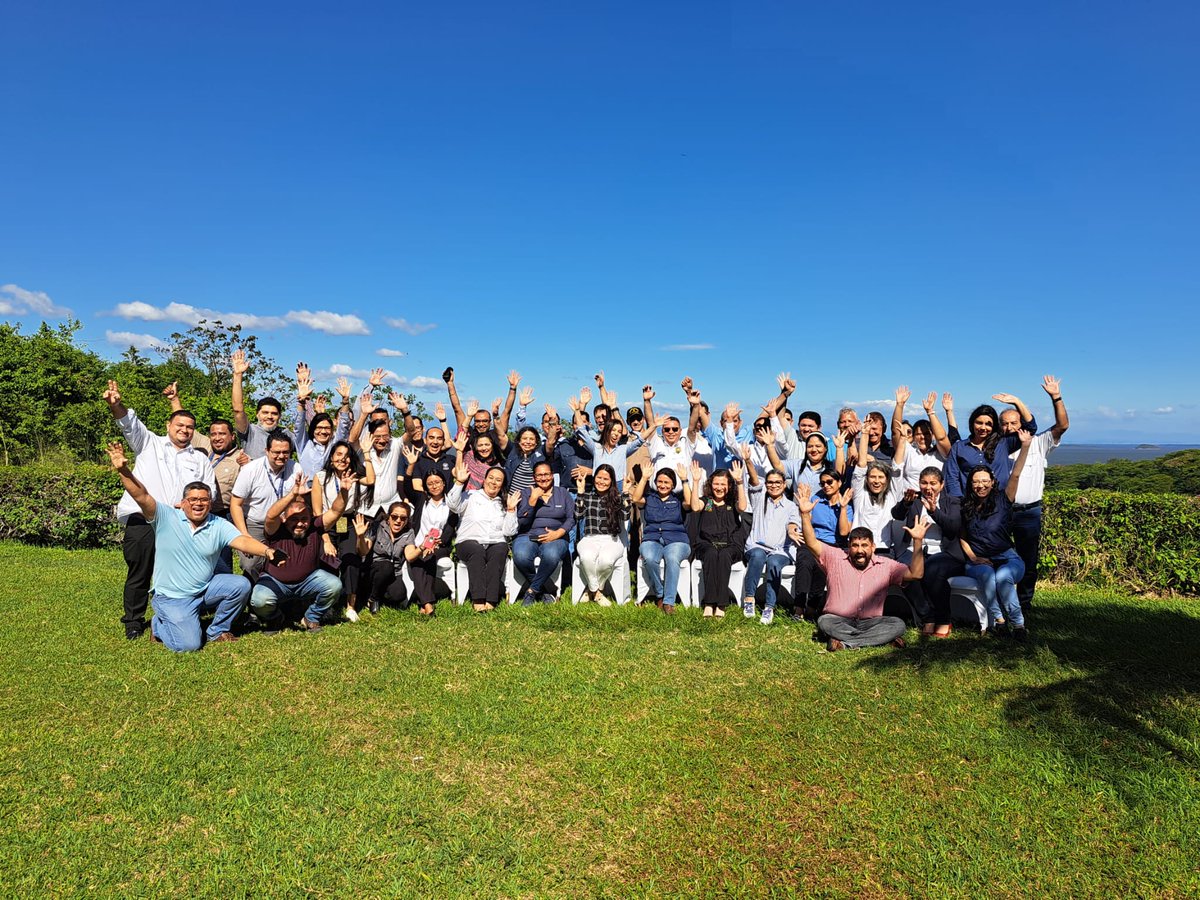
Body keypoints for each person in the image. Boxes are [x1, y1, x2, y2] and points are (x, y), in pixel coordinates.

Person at [106, 441, 275, 651]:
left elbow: (242, 541)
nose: (198, 503)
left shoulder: (218, 524)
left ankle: (217, 630)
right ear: (183, 502)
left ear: (210, 503)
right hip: (172, 598)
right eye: (193, 499)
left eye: (204, 500)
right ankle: (158, 625)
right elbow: (141, 495)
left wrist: (267, 551)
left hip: (204, 589)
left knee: (240, 585)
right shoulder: (166, 517)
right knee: (189, 645)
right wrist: (124, 471)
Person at [104, 379, 217, 640]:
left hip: (178, 522)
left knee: (177, 573)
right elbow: (128, 423)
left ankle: (175, 615)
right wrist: (116, 405)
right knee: (140, 570)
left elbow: (208, 490)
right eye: (180, 425)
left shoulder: (200, 459)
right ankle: (133, 620)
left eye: (190, 427)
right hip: (143, 518)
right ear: (168, 426)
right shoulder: (148, 443)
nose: (184, 430)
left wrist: (189, 505)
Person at [795, 485, 931, 652]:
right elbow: (811, 543)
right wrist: (805, 514)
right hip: (837, 620)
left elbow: (916, 574)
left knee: (898, 624)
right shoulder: (835, 557)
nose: (860, 550)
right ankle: (877, 639)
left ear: (873, 547)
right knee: (824, 622)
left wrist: (917, 541)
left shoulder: (886, 565)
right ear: (849, 546)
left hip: (871, 622)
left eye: (865, 545)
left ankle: (845, 642)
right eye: (855, 545)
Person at [250, 470, 353, 633]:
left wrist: (344, 492)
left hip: (308, 580)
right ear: (284, 518)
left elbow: (335, 511)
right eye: (294, 519)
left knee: (334, 585)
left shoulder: (315, 526)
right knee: (259, 600)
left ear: (310, 519)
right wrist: (292, 495)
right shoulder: (276, 529)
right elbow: (270, 516)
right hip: (276, 581)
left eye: (304, 519)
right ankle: (275, 618)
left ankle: (311, 617)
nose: (299, 523)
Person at [1003, 375, 1069, 612]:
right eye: (1005, 424)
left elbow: (1062, 426)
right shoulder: (998, 449)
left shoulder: (1039, 443)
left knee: (1028, 560)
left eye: (1014, 422)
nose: (1009, 427)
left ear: (1021, 423)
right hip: (1002, 512)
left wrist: (1056, 397)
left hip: (1029, 512)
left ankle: (1024, 604)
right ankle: (1001, 602)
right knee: (998, 557)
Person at [960, 429, 1034, 639]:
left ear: (992, 482)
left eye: (985, 481)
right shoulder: (966, 507)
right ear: (971, 484)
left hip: (1008, 557)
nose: (980, 485)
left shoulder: (1004, 499)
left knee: (1002, 577)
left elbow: (1016, 474)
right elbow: (962, 536)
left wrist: (1025, 446)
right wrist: (973, 557)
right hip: (979, 560)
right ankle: (999, 621)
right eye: (976, 481)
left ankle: (1018, 625)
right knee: (987, 575)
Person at [890, 466, 964, 637]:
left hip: (944, 552)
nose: (928, 487)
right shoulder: (915, 499)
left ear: (942, 484)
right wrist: (905, 503)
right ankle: (927, 616)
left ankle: (944, 619)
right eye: (924, 483)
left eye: (933, 483)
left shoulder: (952, 502)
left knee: (932, 570)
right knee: (904, 571)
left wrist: (934, 511)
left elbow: (953, 527)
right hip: (914, 548)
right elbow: (897, 514)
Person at [312, 440, 376, 621]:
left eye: (347, 456)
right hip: (326, 522)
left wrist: (367, 453)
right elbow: (317, 512)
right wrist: (326, 540)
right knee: (328, 559)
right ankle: (328, 604)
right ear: (331, 458)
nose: (343, 459)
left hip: (346, 521)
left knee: (350, 558)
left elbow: (371, 480)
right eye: (339, 454)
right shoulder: (321, 477)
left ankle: (350, 606)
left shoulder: (354, 475)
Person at [740, 450, 802, 625]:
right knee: (758, 555)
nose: (774, 485)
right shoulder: (759, 499)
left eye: (778, 482)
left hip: (781, 550)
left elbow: (793, 522)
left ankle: (769, 607)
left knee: (774, 562)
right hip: (757, 545)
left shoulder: (791, 506)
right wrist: (748, 460)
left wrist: (791, 530)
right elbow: (754, 480)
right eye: (770, 482)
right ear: (766, 484)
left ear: (784, 485)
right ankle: (749, 599)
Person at [448, 459, 519, 612]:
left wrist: (511, 510)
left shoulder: (504, 502)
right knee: (477, 551)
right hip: (468, 541)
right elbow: (453, 505)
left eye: (498, 480)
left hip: (494, 541)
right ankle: (478, 598)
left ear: (502, 484)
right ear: (484, 479)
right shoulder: (471, 495)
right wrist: (459, 483)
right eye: (491, 478)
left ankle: (491, 599)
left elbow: (509, 532)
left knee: (500, 549)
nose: (493, 482)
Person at [229, 431, 299, 581]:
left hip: (283, 523)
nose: (281, 456)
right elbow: (235, 504)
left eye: (286, 452)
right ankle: (256, 587)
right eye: (276, 452)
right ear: (267, 451)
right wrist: (244, 534)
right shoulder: (250, 470)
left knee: (290, 559)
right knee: (250, 563)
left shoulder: (296, 469)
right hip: (255, 524)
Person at [942, 394, 1036, 497]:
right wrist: (957, 501)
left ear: (994, 426)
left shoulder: (1004, 444)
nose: (983, 428)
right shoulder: (959, 447)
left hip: (999, 502)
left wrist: (1017, 402)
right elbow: (951, 477)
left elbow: (1031, 428)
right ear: (972, 423)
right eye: (979, 423)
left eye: (988, 424)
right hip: (968, 503)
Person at [687, 460, 748, 618]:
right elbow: (695, 507)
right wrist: (695, 481)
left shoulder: (731, 502)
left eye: (723, 484)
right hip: (707, 544)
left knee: (724, 555)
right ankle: (709, 604)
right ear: (710, 484)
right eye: (716, 484)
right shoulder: (707, 502)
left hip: (730, 545)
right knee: (712, 554)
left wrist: (740, 482)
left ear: (729, 486)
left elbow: (742, 507)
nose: (719, 488)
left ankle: (721, 605)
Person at [630, 464, 693, 613]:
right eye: (659, 481)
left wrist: (685, 480)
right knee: (649, 558)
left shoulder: (678, 499)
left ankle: (668, 602)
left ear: (673, 485)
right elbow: (635, 498)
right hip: (652, 538)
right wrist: (644, 478)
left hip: (677, 540)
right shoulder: (649, 498)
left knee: (672, 558)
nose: (662, 485)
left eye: (666, 482)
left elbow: (690, 503)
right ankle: (660, 593)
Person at [792, 467, 853, 621]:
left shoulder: (847, 504)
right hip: (814, 541)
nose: (826, 485)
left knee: (822, 566)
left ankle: (812, 607)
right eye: (822, 483)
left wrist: (843, 508)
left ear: (839, 483)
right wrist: (804, 512)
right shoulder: (816, 499)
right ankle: (799, 608)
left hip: (834, 545)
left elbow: (844, 532)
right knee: (804, 560)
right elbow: (806, 523)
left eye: (829, 482)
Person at [513, 461, 574, 605]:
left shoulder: (563, 493)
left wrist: (558, 533)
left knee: (551, 555)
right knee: (521, 556)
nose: (543, 478)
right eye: (539, 475)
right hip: (528, 535)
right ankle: (543, 591)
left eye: (546, 474)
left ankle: (531, 591)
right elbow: (522, 522)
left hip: (556, 536)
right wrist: (532, 500)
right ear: (534, 477)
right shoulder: (526, 493)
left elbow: (571, 518)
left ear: (552, 475)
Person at [573, 463, 631, 605]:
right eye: (599, 478)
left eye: (606, 479)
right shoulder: (587, 496)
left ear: (611, 481)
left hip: (611, 540)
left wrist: (625, 493)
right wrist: (580, 492)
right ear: (594, 479)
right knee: (586, 557)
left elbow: (625, 517)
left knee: (606, 560)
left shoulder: (617, 498)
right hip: (590, 538)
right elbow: (577, 515)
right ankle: (597, 592)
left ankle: (591, 590)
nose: (601, 482)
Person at [403, 470, 457, 614]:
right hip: (419, 544)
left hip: (440, 545)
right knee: (418, 557)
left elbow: (450, 528)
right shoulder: (421, 499)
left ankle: (424, 603)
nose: (434, 486)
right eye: (430, 483)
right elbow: (407, 487)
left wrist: (438, 542)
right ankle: (428, 603)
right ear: (426, 486)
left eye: (437, 482)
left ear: (444, 483)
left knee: (427, 556)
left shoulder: (450, 503)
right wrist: (411, 466)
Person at [848, 427, 907, 554]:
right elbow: (861, 465)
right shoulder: (860, 494)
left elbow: (897, 469)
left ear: (887, 479)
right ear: (867, 479)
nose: (876, 481)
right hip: (859, 549)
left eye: (881, 477)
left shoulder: (892, 495)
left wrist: (902, 440)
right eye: (873, 477)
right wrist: (864, 434)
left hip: (884, 550)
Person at [356, 503, 418, 614]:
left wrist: (422, 547)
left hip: (394, 572)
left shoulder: (409, 532)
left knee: (398, 595)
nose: (398, 521)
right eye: (394, 517)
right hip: (374, 569)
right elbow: (363, 551)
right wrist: (360, 536)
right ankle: (373, 599)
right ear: (388, 517)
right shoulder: (377, 526)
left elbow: (409, 556)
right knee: (386, 566)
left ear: (407, 520)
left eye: (403, 518)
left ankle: (375, 594)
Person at [293, 369, 352, 480]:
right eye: (319, 428)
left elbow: (343, 427)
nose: (323, 431)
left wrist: (345, 401)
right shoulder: (304, 444)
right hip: (307, 488)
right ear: (313, 429)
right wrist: (301, 402)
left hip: (330, 487)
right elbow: (298, 425)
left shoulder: (334, 445)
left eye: (327, 428)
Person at [230, 349, 283, 460]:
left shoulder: (286, 434)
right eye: (265, 412)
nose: (269, 416)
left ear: (280, 416)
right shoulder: (250, 432)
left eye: (274, 413)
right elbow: (238, 409)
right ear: (257, 414)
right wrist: (238, 375)